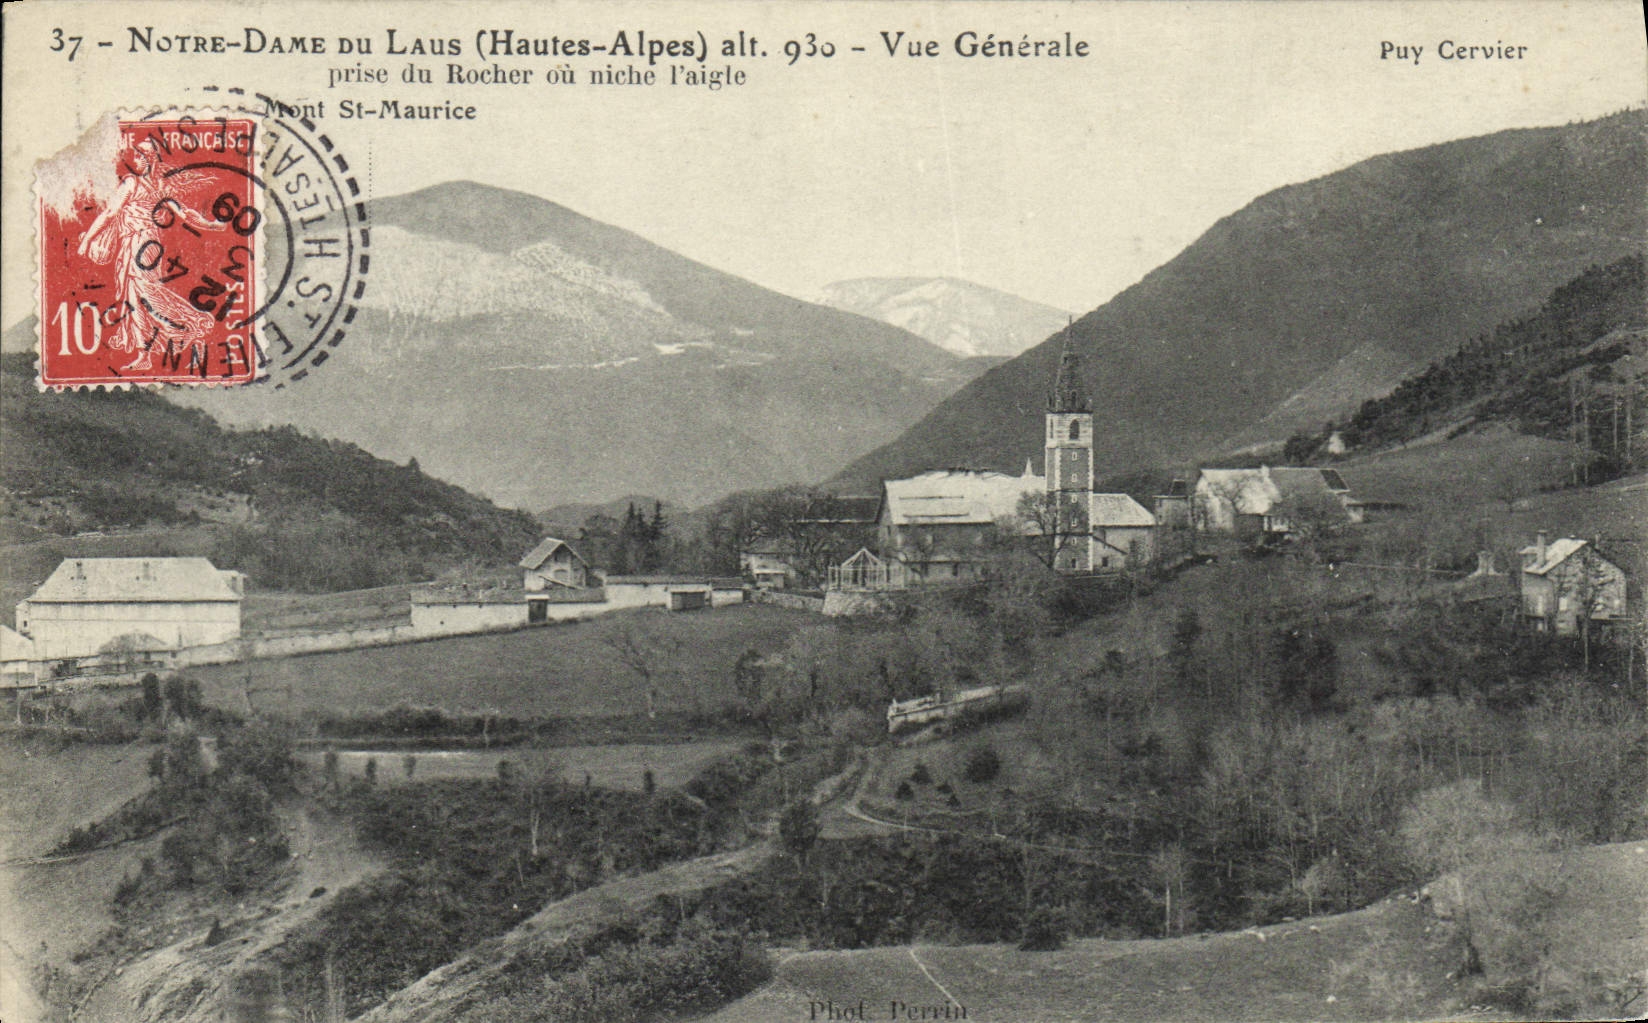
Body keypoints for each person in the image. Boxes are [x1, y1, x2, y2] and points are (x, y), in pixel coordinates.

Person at [77, 137, 226, 371]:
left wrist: (87, 239)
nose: (135, 160)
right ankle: (153, 347)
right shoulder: (159, 188)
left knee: (141, 294)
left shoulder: (131, 184)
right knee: (139, 295)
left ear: (149, 161)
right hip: (149, 245)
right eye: (135, 155)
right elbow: (185, 214)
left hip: (137, 243)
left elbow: (110, 213)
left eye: (140, 156)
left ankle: (189, 324)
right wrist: (212, 225)